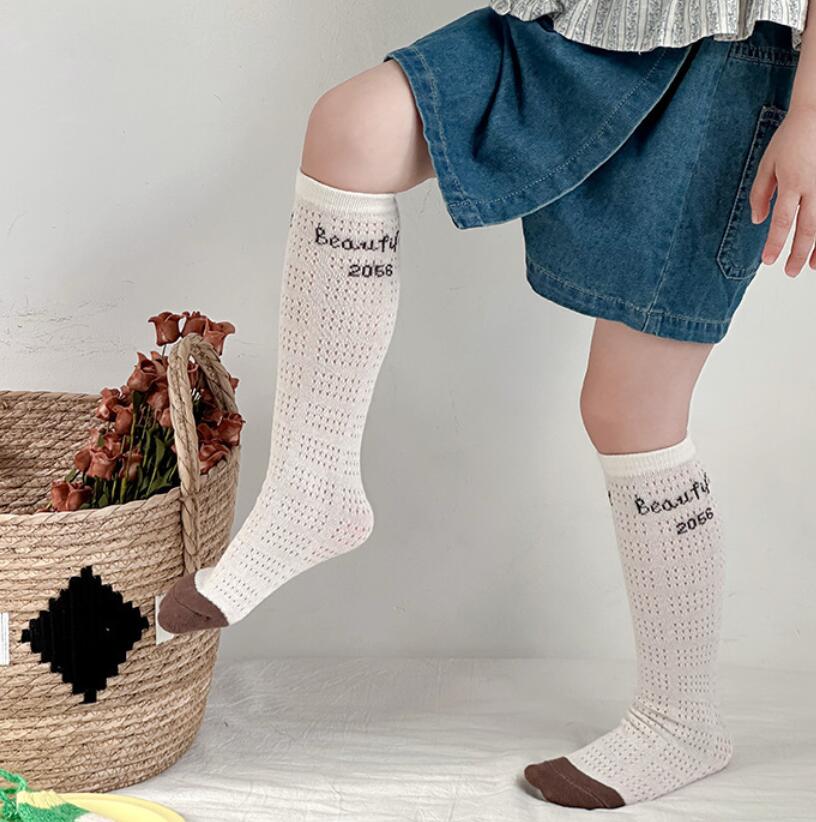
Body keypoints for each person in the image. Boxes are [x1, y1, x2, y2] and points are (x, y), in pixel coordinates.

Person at [158, 0, 815, 810]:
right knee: (350, 129)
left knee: (629, 411)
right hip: (565, 24)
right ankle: (309, 487)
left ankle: (681, 720)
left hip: (724, 61)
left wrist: (812, 113)